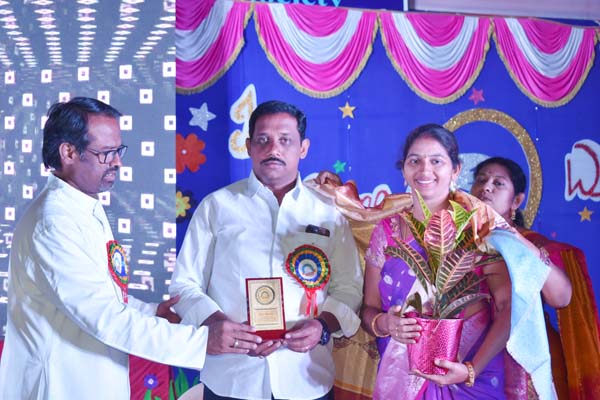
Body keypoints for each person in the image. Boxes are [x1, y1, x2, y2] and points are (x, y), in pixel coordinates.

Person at [0, 97, 247, 400]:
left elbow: (99, 292)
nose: (117, 162)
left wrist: (152, 312)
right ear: (68, 152)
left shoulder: (81, 206)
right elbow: (104, 316)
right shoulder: (54, 223)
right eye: (106, 153)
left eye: (118, 151)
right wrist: (201, 341)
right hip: (59, 386)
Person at [313, 124, 555, 399]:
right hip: (401, 377)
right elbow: (369, 310)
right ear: (404, 169)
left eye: (436, 161)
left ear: (455, 170)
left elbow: (507, 307)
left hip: (474, 380)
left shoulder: (478, 228)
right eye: (414, 161)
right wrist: (385, 324)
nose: (424, 170)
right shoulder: (388, 231)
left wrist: (471, 370)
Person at [171, 100, 364, 400]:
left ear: (303, 148)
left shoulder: (328, 213)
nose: (274, 149)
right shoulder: (216, 206)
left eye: (285, 140)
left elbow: (349, 287)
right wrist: (215, 323)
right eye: (263, 140)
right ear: (249, 146)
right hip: (231, 377)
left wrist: (322, 326)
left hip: (306, 377)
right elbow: (183, 284)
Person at [471, 157, 600, 399]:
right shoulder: (455, 243)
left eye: (498, 183)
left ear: (516, 201)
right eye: (480, 180)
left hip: (526, 362)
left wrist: (517, 241)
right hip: (471, 357)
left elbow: (561, 298)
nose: (486, 187)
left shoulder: (533, 244)